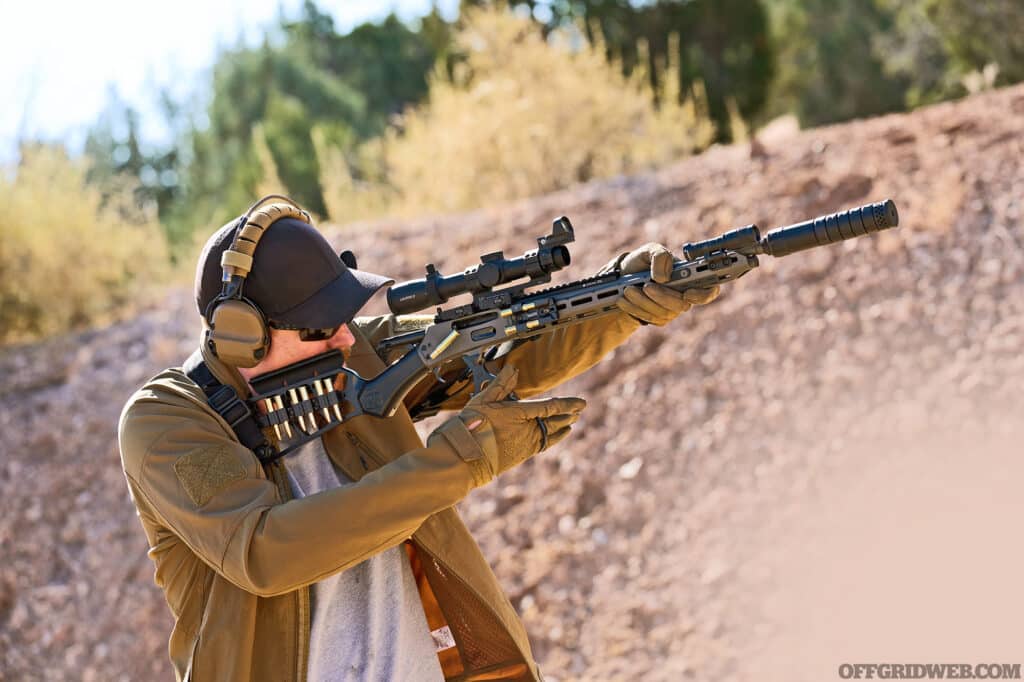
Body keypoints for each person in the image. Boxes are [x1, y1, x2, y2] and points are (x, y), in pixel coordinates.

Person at [117, 197, 719, 682]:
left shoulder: (357, 353)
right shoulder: (167, 423)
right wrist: (457, 463)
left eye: (345, 320)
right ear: (240, 335)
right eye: (321, 328)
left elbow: (503, 349)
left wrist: (621, 303)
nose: (347, 341)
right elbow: (266, 552)